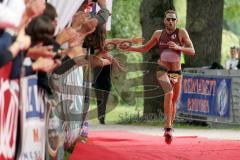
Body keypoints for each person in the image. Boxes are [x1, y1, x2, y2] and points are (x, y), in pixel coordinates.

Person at [120, 10, 195, 143]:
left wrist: (178, 47)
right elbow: (145, 48)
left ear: (176, 21)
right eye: (168, 19)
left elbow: (192, 51)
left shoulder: (181, 33)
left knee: (173, 101)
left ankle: (170, 126)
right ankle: (168, 127)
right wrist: (129, 48)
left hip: (177, 72)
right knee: (169, 93)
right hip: (162, 69)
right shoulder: (158, 34)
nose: (170, 21)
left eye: (173, 19)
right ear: (164, 21)